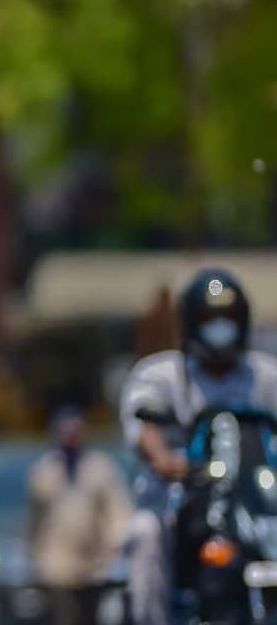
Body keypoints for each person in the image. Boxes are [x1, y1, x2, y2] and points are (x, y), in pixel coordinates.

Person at [120, 267, 277, 625]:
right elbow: (145, 428)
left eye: (228, 318)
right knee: (145, 534)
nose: (221, 329)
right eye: (211, 320)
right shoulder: (161, 375)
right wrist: (165, 460)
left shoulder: (266, 376)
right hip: (180, 503)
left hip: (256, 504)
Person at [28, 406, 132, 625]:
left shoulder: (100, 467)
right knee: (64, 617)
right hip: (56, 565)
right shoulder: (44, 471)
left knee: (90, 617)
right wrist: (34, 557)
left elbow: (117, 510)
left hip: (94, 565)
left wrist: (117, 543)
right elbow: (35, 520)